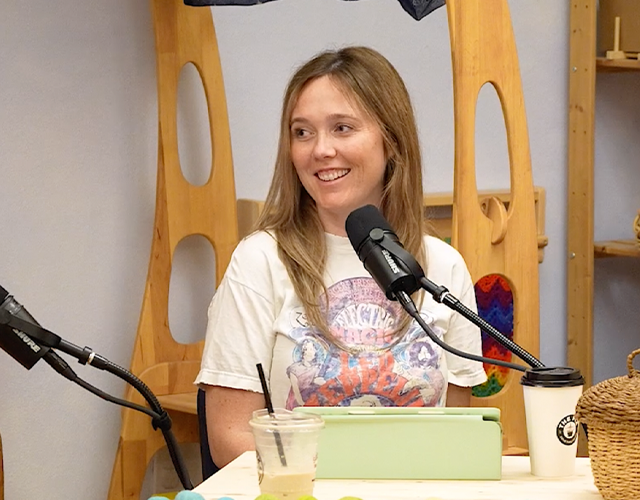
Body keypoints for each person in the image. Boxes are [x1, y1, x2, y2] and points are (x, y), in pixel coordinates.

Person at [196, 46, 484, 468]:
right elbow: (230, 439)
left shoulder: (442, 266)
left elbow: (457, 435)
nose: (321, 150)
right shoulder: (259, 261)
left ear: (391, 139)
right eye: (302, 132)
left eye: (342, 128)